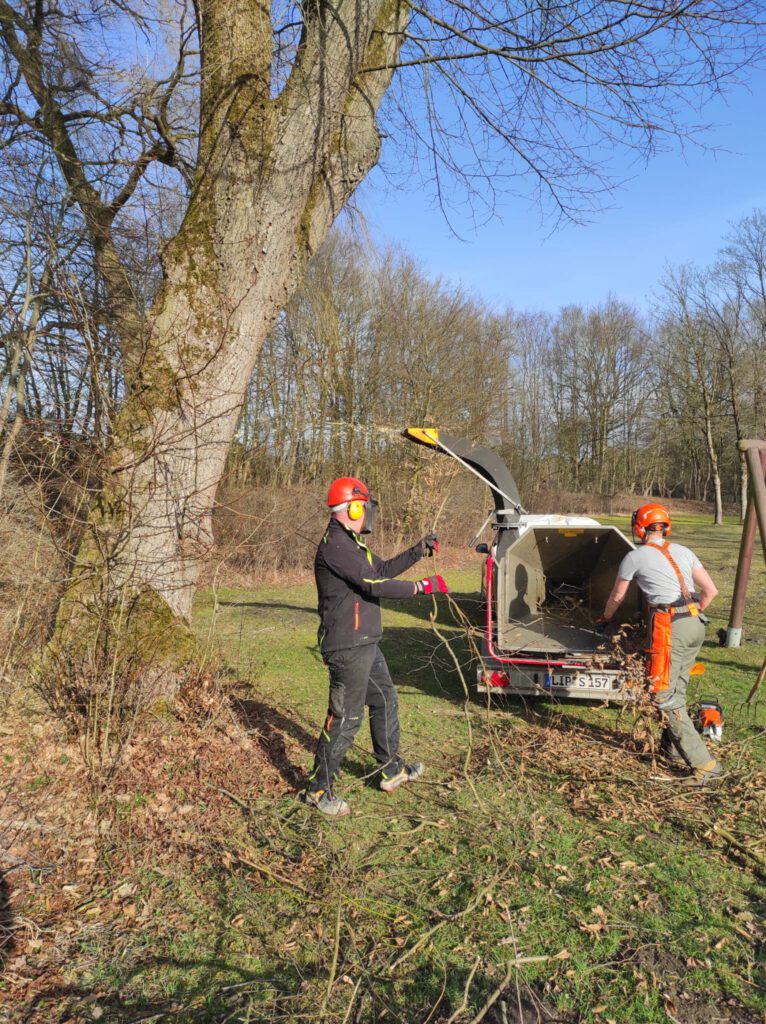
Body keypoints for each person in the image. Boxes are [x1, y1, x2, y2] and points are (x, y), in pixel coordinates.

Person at [304, 476, 449, 817]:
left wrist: (418, 550)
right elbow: (374, 583)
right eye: (365, 506)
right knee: (345, 717)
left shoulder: (353, 544)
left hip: (365, 642)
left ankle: (391, 770)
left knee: (384, 699)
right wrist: (420, 587)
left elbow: (380, 569)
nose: (369, 513)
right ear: (354, 508)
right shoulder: (336, 545)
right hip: (347, 646)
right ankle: (318, 789)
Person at [598, 503, 721, 787]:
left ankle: (704, 765)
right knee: (677, 689)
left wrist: (605, 618)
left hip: (669, 627)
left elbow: (617, 596)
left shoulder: (635, 556)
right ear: (665, 527)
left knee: (663, 694)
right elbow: (711, 590)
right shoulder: (684, 551)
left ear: (639, 527)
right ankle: (673, 751)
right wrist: (691, 612)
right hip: (695, 622)